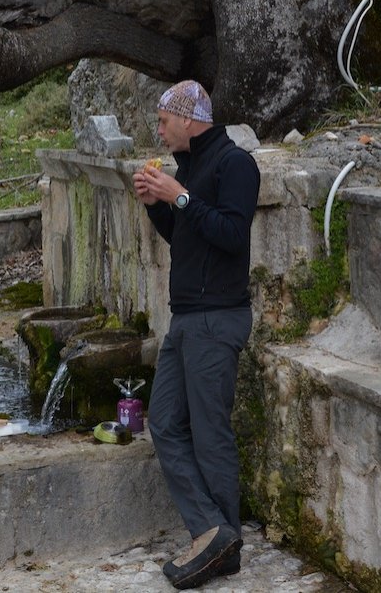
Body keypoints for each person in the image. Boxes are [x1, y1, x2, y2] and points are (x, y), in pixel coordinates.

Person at [132, 80, 260, 590]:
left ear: (188, 118)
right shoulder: (187, 170)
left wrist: (180, 197)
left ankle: (221, 548)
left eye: (164, 121)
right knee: (163, 421)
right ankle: (214, 532)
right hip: (186, 317)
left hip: (218, 317)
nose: (160, 131)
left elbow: (232, 235)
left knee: (210, 435)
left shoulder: (235, 164)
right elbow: (187, 238)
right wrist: (158, 205)